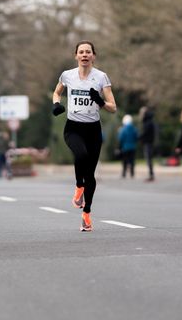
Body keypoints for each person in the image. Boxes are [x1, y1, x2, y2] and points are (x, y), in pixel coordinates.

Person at [52, 40, 117, 232]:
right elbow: (56, 93)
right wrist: (56, 104)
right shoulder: (67, 75)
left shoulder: (101, 77)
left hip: (93, 130)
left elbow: (113, 107)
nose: (85, 55)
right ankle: (78, 186)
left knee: (91, 174)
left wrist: (100, 101)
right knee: (81, 156)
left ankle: (86, 213)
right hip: (73, 128)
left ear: (93, 56)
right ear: (76, 56)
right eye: (81, 52)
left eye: (88, 52)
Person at [139, 106, 157, 181]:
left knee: (148, 159)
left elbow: (145, 133)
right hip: (149, 142)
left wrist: (139, 137)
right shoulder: (149, 121)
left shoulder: (147, 122)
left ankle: (151, 175)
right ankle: (151, 174)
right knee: (149, 159)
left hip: (148, 143)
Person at [118, 114, 138, 179]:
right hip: (133, 147)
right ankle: (132, 174)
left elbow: (121, 138)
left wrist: (120, 147)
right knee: (132, 161)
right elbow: (136, 137)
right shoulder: (134, 128)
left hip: (125, 147)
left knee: (124, 161)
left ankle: (124, 173)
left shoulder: (123, 129)